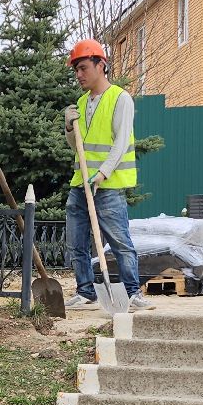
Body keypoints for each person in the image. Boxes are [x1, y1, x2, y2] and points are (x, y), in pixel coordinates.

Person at [62, 38, 150, 312]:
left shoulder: (120, 98)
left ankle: (133, 294)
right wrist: (68, 127)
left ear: (101, 65)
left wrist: (102, 173)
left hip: (108, 185)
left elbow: (121, 141)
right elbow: (77, 146)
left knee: (120, 241)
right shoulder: (81, 102)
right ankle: (85, 292)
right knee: (76, 242)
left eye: (84, 68)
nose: (79, 75)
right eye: (76, 70)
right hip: (80, 184)